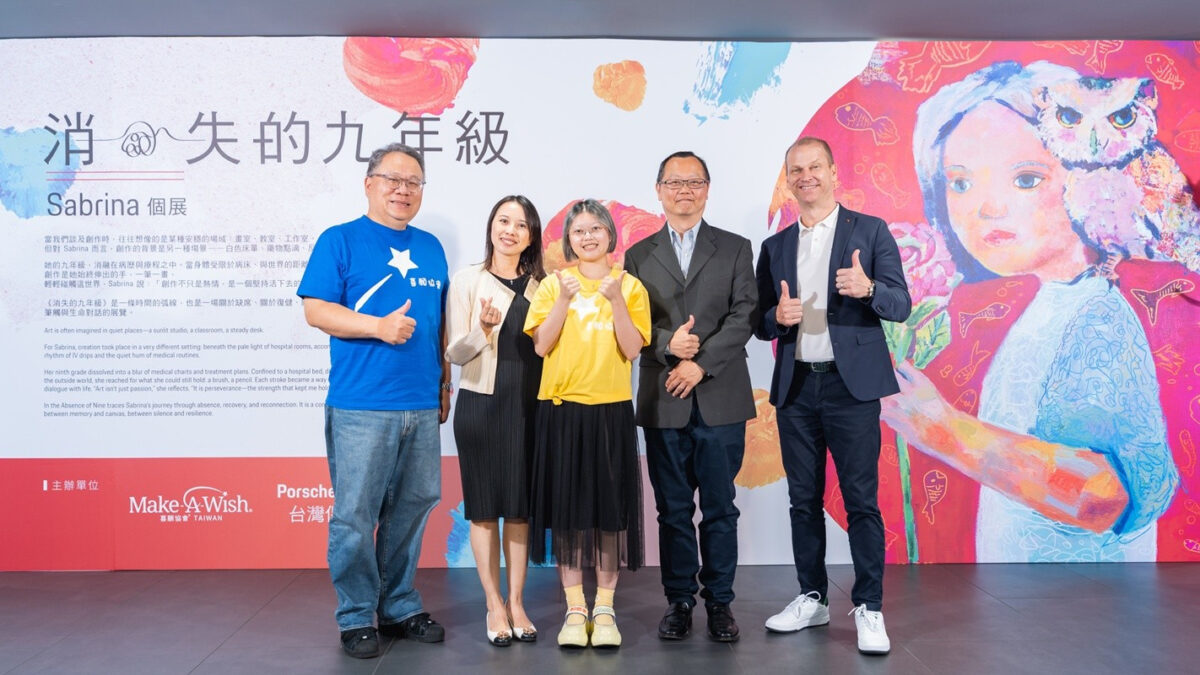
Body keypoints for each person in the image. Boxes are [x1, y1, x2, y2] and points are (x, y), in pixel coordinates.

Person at [879, 60, 1183, 563]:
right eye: (960, 184)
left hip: (1081, 602)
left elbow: (1103, 495)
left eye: (1025, 179)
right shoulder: (1052, 305)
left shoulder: (1096, 316)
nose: (986, 208)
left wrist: (948, 433)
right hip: (1028, 598)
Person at [754, 137, 911, 655]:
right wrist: (776, 318)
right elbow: (760, 322)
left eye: (815, 166)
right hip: (797, 387)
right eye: (796, 169)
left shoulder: (870, 230)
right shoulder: (775, 247)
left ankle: (869, 607)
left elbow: (901, 304)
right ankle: (812, 597)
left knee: (861, 501)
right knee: (803, 501)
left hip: (851, 388)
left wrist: (868, 290)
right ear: (788, 180)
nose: (806, 176)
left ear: (833, 172)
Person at [297, 143, 451, 659]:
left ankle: (399, 604)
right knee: (355, 516)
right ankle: (357, 614)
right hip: (361, 405)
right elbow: (316, 310)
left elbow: (438, 323)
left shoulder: (431, 247)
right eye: (393, 179)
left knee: (413, 508)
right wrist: (377, 327)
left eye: (413, 182)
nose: (403, 190)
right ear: (369, 184)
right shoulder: (339, 240)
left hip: (421, 404)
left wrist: (444, 384)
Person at [623, 151, 757, 642]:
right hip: (664, 398)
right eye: (675, 182)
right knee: (673, 510)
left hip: (721, 396)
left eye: (694, 182)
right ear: (658, 190)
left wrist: (700, 363)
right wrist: (666, 345)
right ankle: (679, 600)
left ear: (707, 189)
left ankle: (720, 602)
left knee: (720, 508)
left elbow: (745, 314)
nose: (685, 190)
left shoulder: (736, 248)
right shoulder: (638, 254)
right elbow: (631, 322)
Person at [523, 199, 651, 649]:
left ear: (610, 234)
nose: (588, 236)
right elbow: (541, 345)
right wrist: (562, 299)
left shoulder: (630, 286)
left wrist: (616, 301)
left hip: (611, 409)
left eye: (596, 228)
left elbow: (633, 348)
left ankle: (606, 608)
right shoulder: (552, 284)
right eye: (579, 230)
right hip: (561, 411)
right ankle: (576, 608)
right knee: (569, 516)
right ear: (568, 240)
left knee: (610, 516)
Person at [445, 195, 545, 646]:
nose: (510, 230)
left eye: (520, 225)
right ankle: (493, 604)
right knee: (484, 510)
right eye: (503, 221)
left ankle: (517, 602)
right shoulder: (468, 280)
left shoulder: (544, 285)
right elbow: (455, 353)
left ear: (531, 236)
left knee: (520, 511)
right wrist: (483, 330)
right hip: (481, 406)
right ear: (491, 226)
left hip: (529, 408)